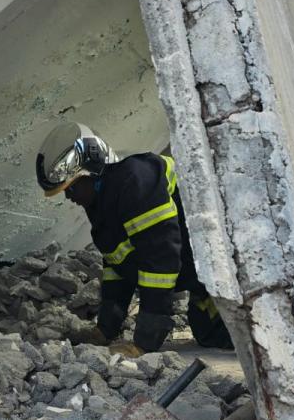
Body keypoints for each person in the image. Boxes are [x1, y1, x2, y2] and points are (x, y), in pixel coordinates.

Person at [35, 122, 233, 357]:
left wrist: (144, 343)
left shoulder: (136, 181)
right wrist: (104, 331)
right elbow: (118, 270)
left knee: (247, 333)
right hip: (200, 272)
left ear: (92, 171)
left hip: (230, 260)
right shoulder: (102, 204)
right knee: (210, 335)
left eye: (71, 187)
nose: (69, 196)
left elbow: (160, 262)